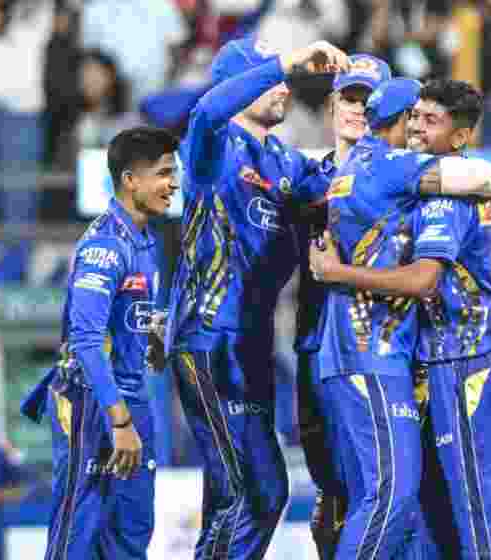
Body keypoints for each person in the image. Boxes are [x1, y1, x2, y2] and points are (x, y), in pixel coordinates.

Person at [308, 77, 491, 559]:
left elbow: (426, 277)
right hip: (443, 358)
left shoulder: (445, 196)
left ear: (460, 136)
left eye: (430, 120)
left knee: (473, 508)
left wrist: (336, 273)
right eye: (416, 117)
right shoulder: (417, 180)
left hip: (466, 358)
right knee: (435, 510)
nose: (419, 129)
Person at [163, 36, 349, 560]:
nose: (283, 87)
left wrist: (355, 124)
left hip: (252, 344)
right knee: (257, 491)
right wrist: (289, 61)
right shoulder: (212, 147)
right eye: (270, 78)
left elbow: (341, 183)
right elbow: (205, 112)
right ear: (238, 84)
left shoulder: (285, 161)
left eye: (284, 80)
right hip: (208, 337)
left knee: (237, 494)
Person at [35, 126, 179, 559]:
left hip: (132, 396)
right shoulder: (104, 246)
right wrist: (120, 423)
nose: (173, 184)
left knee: (132, 533)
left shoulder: (147, 240)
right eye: (164, 173)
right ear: (130, 180)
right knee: (77, 536)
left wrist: (155, 337)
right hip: (92, 402)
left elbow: (135, 312)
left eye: (174, 173)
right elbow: (85, 340)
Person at [291, 53, 392, 560]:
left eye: (369, 102)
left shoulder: (402, 175)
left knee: (379, 488)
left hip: (382, 349)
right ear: (332, 105)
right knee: (330, 490)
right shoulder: (307, 179)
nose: (358, 110)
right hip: (316, 345)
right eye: (350, 99)